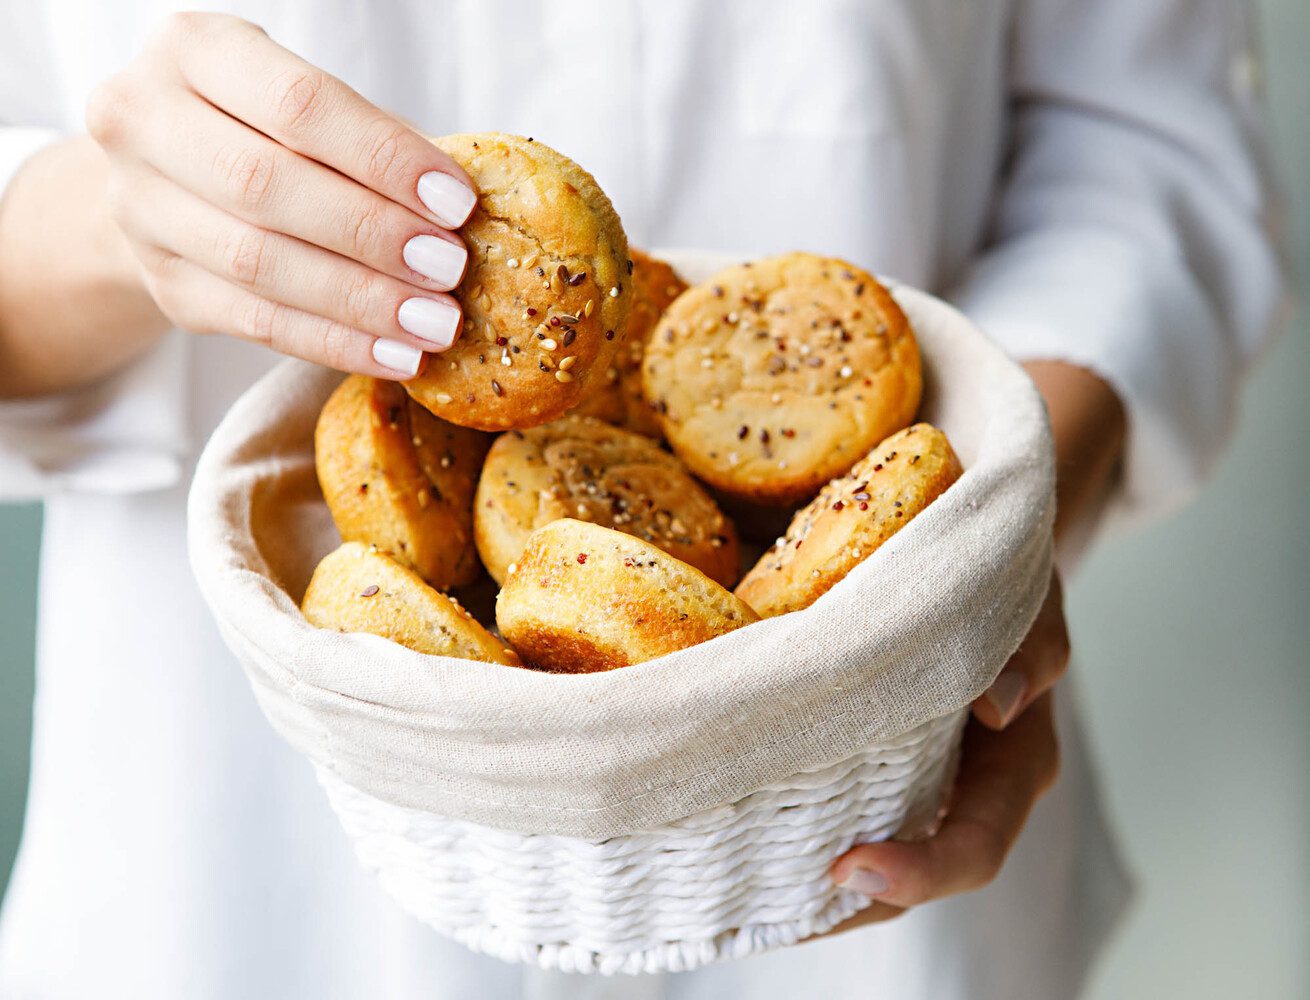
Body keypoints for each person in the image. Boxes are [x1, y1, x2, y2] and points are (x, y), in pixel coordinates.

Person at [0, 2, 1284, 998]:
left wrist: (966, 577)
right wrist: (119, 222)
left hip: (865, 817)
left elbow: (1143, 152)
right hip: (231, 856)